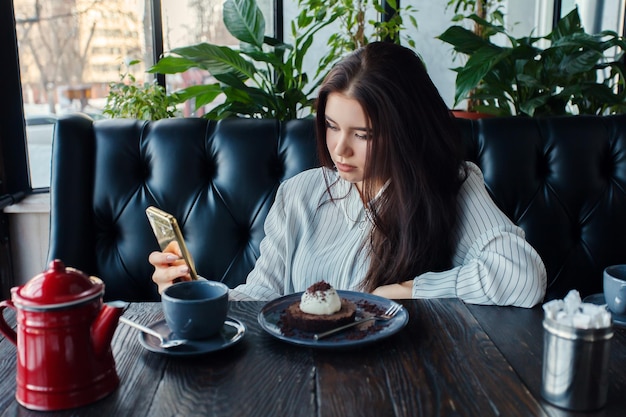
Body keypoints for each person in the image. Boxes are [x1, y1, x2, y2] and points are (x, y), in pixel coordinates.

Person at [150, 42, 546, 307]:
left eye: (363, 134)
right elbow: (261, 299)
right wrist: (193, 294)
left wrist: (410, 290)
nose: (339, 149)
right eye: (331, 125)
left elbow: (523, 276)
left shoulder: (451, 185)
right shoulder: (299, 194)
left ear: (406, 131)